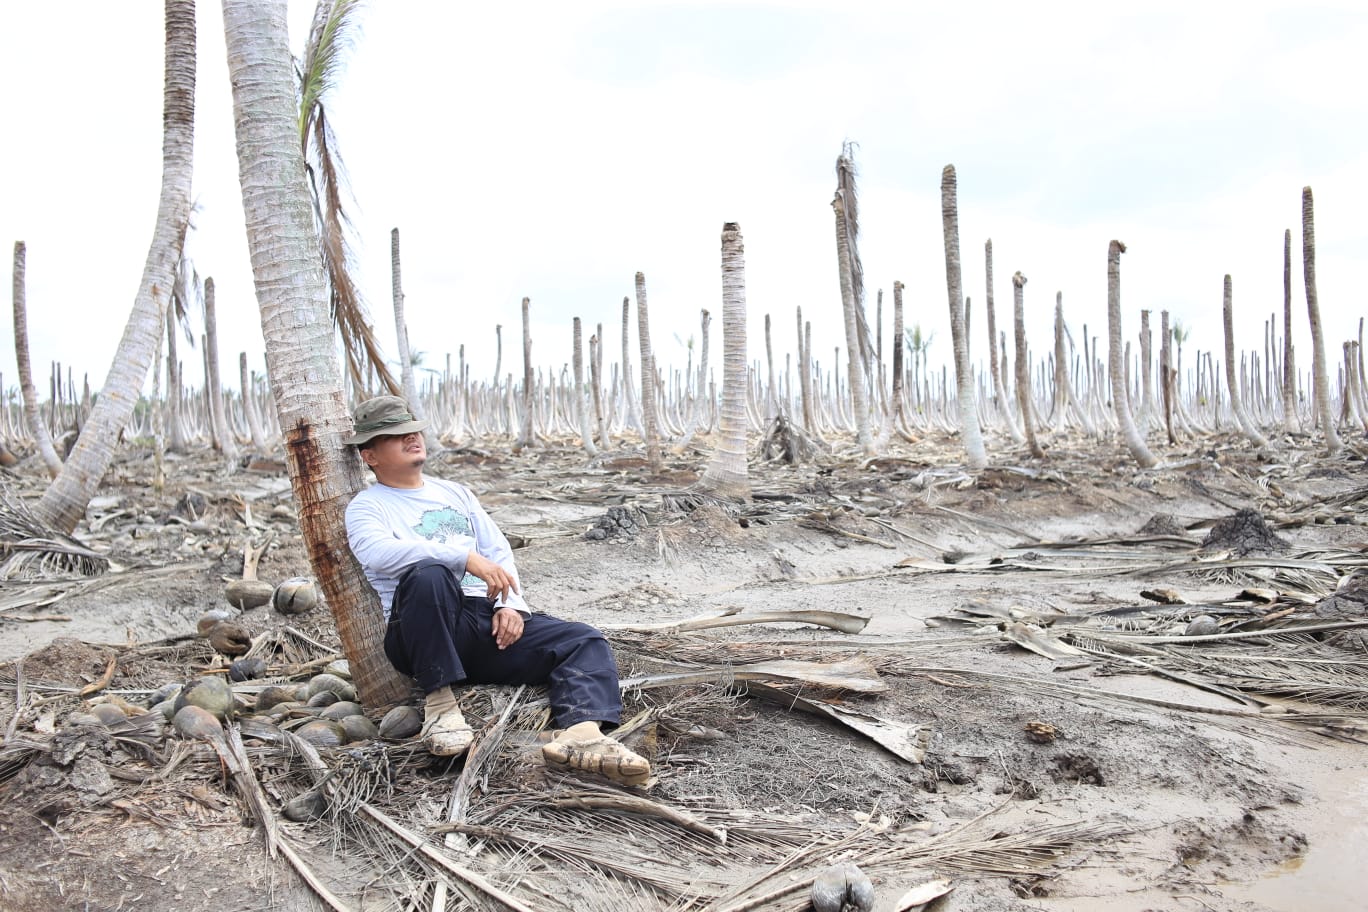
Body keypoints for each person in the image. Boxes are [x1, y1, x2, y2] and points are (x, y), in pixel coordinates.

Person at [342, 395, 650, 786]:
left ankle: (581, 735)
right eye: (395, 435)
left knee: (582, 639)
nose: (411, 438)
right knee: (430, 574)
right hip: (425, 629)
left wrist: (511, 606)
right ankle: (441, 704)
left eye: (412, 430)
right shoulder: (368, 506)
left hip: (482, 624)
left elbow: (496, 551)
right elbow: (377, 553)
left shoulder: (455, 492)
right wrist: (461, 557)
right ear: (370, 456)